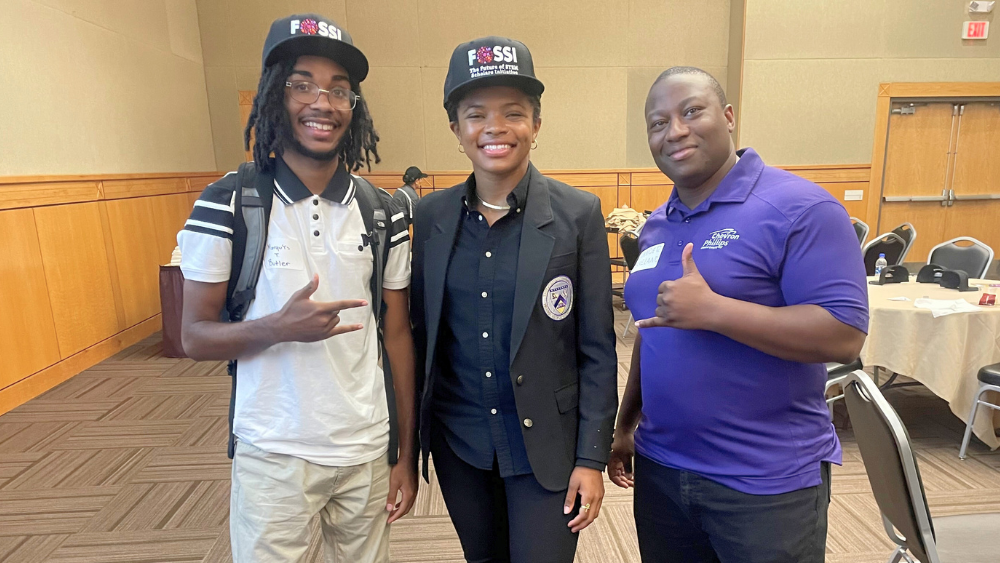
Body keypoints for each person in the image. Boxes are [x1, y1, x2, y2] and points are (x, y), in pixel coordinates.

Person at [177, 14, 416, 563]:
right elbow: (193, 336)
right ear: (273, 95)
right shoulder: (229, 203)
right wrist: (276, 328)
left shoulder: (383, 213)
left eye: (339, 89)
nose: (322, 102)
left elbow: (398, 335)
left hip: (364, 447)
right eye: (302, 83)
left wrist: (404, 449)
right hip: (272, 449)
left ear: (353, 107)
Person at [610, 67, 869, 563]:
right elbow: (654, 331)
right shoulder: (657, 224)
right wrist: (626, 425)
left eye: (692, 111)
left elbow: (844, 335)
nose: (675, 131)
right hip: (663, 470)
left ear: (728, 117)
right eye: (658, 122)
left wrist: (716, 311)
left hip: (765, 483)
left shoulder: (801, 208)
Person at [410, 37, 618, 562]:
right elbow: (418, 336)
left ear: (536, 125)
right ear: (456, 130)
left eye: (513, 113)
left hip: (547, 448)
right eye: (475, 114)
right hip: (461, 445)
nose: (495, 127)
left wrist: (591, 457)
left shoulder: (578, 215)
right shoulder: (430, 218)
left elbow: (597, 348)